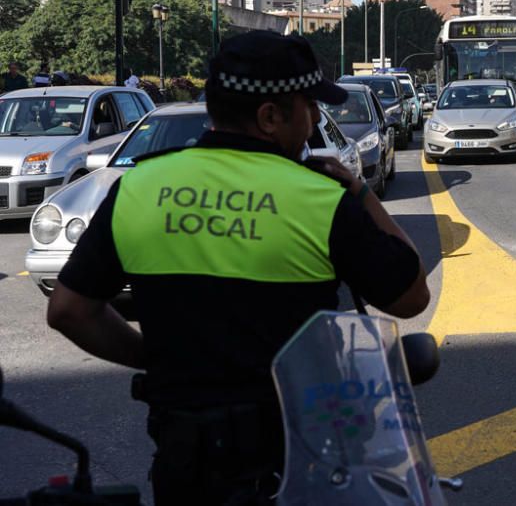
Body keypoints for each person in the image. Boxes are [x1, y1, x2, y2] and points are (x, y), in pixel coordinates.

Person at [46, 31, 430, 505]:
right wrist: (361, 192)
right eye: (309, 106)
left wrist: (155, 356)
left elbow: (68, 310)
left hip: (184, 467)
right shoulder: (320, 197)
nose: (314, 121)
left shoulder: (139, 187)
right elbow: (412, 297)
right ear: (270, 117)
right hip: (299, 464)